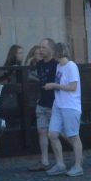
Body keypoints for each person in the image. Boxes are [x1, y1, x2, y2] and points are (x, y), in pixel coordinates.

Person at [44, 42, 84, 177]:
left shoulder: (71, 66)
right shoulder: (59, 66)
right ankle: (60, 164)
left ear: (57, 52)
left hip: (70, 106)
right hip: (59, 104)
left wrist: (54, 85)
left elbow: (73, 87)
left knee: (73, 136)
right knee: (52, 134)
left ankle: (78, 166)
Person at [29, 39, 58, 172]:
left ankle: (76, 152)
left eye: (43, 47)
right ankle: (44, 161)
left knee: (57, 133)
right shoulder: (39, 64)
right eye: (40, 47)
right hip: (42, 102)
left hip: (54, 103)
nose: (40, 50)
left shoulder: (56, 65)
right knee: (42, 131)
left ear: (51, 49)